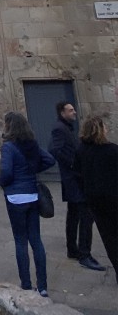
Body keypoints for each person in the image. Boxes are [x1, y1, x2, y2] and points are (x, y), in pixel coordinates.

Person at [0, 111, 56, 297]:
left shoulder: (9, 147)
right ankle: (43, 286)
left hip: (15, 197)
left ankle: (26, 284)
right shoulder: (31, 144)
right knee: (36, 240)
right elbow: (49, 159)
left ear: (9, 126)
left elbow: (6, 172)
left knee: (20, 241)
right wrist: (31, 170)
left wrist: (3, 183)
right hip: (32, 195)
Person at [48, 101, 105, 271]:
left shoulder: (67, 127)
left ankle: (72, 249)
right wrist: (73, 165)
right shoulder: (59, 128)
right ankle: (84, 254)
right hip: (75, 180)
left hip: (74, 180)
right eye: (70, 110)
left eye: (73, 109)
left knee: (73, 215)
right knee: (86, 217)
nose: (74, 112)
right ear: (62, 112)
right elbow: (54, 149)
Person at [74, 116, 118, 284]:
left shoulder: (81, 150)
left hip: (95, 201)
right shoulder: (112, 150)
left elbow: (77, 174)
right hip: (114, 199)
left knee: (110, 239)